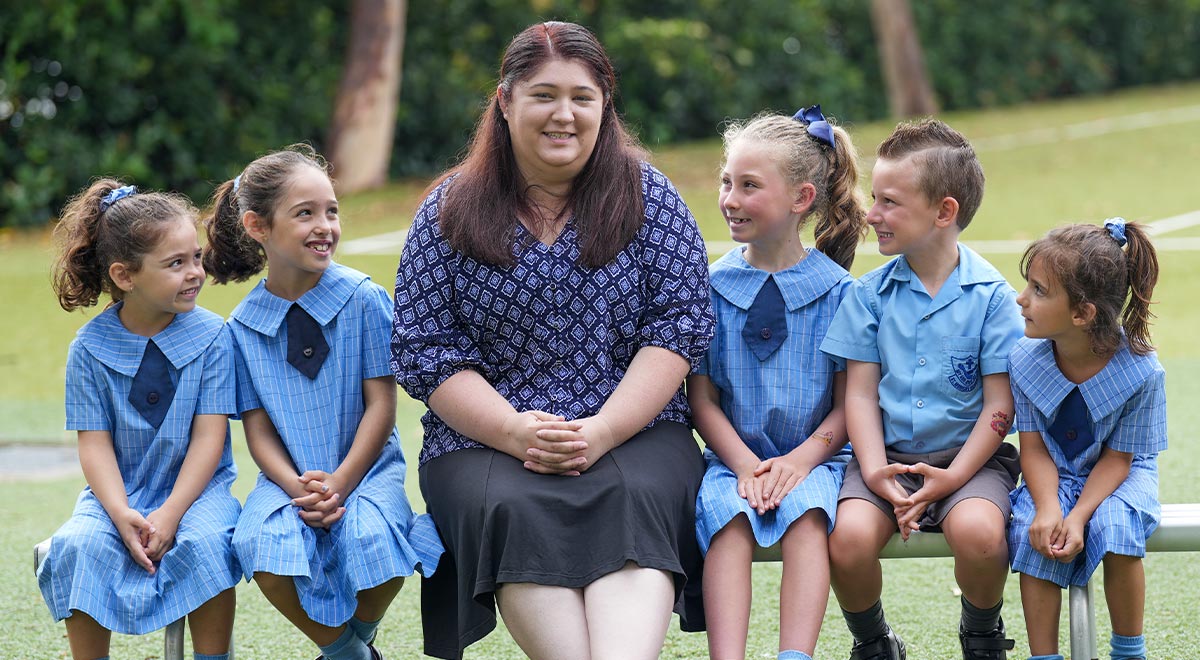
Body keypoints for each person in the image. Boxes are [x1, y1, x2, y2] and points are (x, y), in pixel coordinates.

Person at [390, 21, 714, 660]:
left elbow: (679, 328)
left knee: (636, 496)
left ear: (604, 107)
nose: (563, 114)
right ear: (506, 103)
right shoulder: (447, 209)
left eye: (582, 97)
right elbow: (425, 350)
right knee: (512, 504)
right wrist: (514, 431)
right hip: (483, 440)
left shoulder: (653, 200)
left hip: (636, 432)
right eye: (543, 95)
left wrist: (604, 431)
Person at [203, 145, 442, 660]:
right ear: (257, 226)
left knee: (376, 539)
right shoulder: (241, 327)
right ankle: (347, 653)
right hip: (287, 480)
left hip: (367, 469)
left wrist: (341, 482)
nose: (324, 225)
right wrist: (295, 486)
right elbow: (257, 427)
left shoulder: (364, 298)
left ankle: (360, 637)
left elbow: (382, 405)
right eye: (304, 212)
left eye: (331, 210)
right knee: (261, 550)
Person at [819, 118, 1024, 660]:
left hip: (971, 464)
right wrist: (871, 471)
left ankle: (981, 634)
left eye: (889, 201)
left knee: (982, 536)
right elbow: (858, 396)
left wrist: (953, 477)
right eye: (874, 198)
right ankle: (874, 642)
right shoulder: (868, 295)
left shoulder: (994, 299)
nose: (871, 214)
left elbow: (1000, 406)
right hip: (882, 459)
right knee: (848, 541)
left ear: (944, 212)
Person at [689, 106, 867, 660]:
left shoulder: (840, 293)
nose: (731, 199)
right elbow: (701, 398)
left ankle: (796, 655)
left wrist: (799, 464)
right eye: (726, 182)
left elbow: (848, 406)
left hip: (816, 461)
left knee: (808, 522)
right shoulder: (709, 286)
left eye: (749, 186)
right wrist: (743, 464)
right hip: (729, 459)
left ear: (802, 199)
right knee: (727, 525)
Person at [39, 180, 240, 660]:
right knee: (77, 545)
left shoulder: (215, 337)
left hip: (198, 494)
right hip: (115, 496)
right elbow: (94, 445)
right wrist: (119, 511)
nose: (195, 272)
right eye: (176, 263)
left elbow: (210, 439)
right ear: (125, 276)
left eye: (196, 257)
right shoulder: (87, 349)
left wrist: (170, 514)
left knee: (206, 543)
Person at [1007, 219, 1163, 660]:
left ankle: (1129, 651)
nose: (1021, 299)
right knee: (1031, 529)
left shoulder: (1142, 373)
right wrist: (1052, 508)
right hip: (1051, 471)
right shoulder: (1023, 359)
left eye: (1038, 290)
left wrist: (1080, 517)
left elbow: (1118, 460)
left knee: (1116, 527)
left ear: (1083, 313)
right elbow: (1033, 448)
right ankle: (1044, 655)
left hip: (1118, 474)